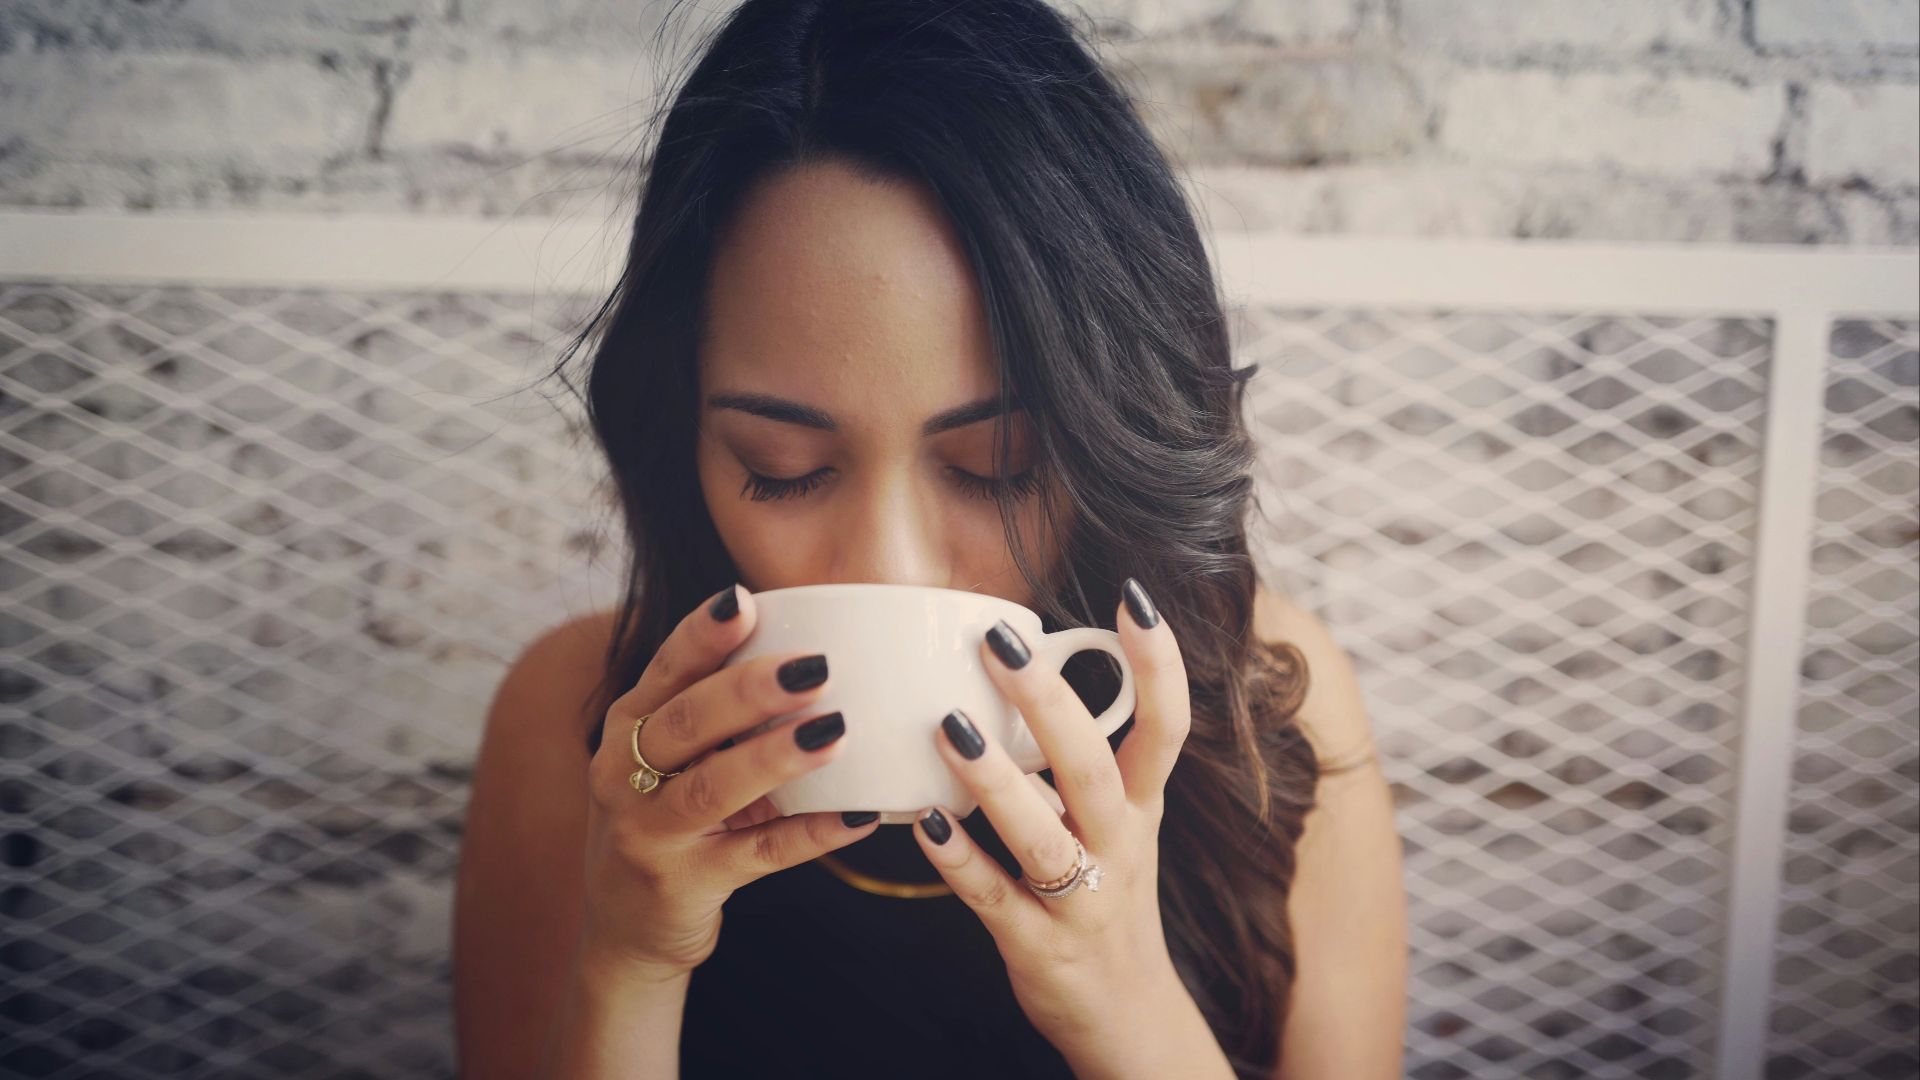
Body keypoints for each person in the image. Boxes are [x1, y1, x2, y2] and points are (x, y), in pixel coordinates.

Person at [453, 1, 1406, 1076]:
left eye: (997, 467)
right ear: (685, 436)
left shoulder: (1266, 710)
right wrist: (627, 961)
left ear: (1108, 440)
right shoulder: (577, 725)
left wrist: (1128, 1006)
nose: (889, 567)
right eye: (784, 467)